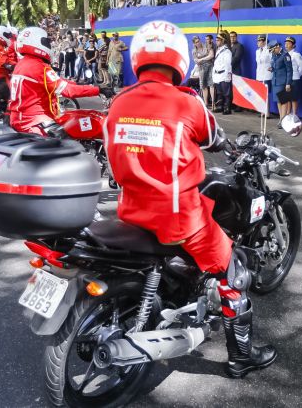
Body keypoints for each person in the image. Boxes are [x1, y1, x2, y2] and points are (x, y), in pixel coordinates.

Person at [103, 20, 277, 378]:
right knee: (235, 273)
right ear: (179, 58)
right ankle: (241, 357)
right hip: (179, 217)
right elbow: (213, 136)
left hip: (130, 209)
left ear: (137, 56)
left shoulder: (120, 100)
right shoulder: (187, 101)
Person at [8, 27, 99, 134]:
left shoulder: (23, 63)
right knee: (70, 144)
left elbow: (57, 81)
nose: (49, 45)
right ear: (36, 42)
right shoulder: (38, 66)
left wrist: (78, 83)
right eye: (46, 41)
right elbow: (68, 90)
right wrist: (98, 90)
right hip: (33, 122)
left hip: (21, 118)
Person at [269, 40, 292, 122]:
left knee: (283, 101)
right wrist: (272, 69)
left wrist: (288, 83)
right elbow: (274, 65)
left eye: (273, 50)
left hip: (282, 82)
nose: (272, 52)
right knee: (278, 101)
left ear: (277, 47)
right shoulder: (274, 54)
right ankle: (281, 118)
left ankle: (283, 119)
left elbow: (289, 70)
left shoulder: (285, 55)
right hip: (275, 81)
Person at [212, 31, 233, 115]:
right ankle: (220, 106)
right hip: (217, 75)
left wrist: (227, 75)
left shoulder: (227, 51)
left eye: (218, 40)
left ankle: (227, 108)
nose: (216, 41)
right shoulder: (218, 50)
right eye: (216, 40)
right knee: (219, 92)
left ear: (223, 41)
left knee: (226, 93)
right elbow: (216, 63)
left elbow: (227, 65)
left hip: (224, 74)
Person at [284, 37, 302, 116]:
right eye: (285, 43)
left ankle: (295, 115)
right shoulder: (285, 55)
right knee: (287, 98)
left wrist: (296, 76)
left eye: (288, 44)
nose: (286, 45)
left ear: (293, 45)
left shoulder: (296, 55)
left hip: (294, 79)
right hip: (287, 79)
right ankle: (288, 114)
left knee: (294, 98)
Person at [254, 35, 272, 115]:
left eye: (260, 41)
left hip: (267, 74)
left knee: (266, 94)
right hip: (259, 75)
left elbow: (272, 61)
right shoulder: (257, 51)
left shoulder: (269, 50)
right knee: (261, 93)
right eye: (257, 41)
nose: (258, 42)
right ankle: (262, 111)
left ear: (264, 41)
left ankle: (267, 111)